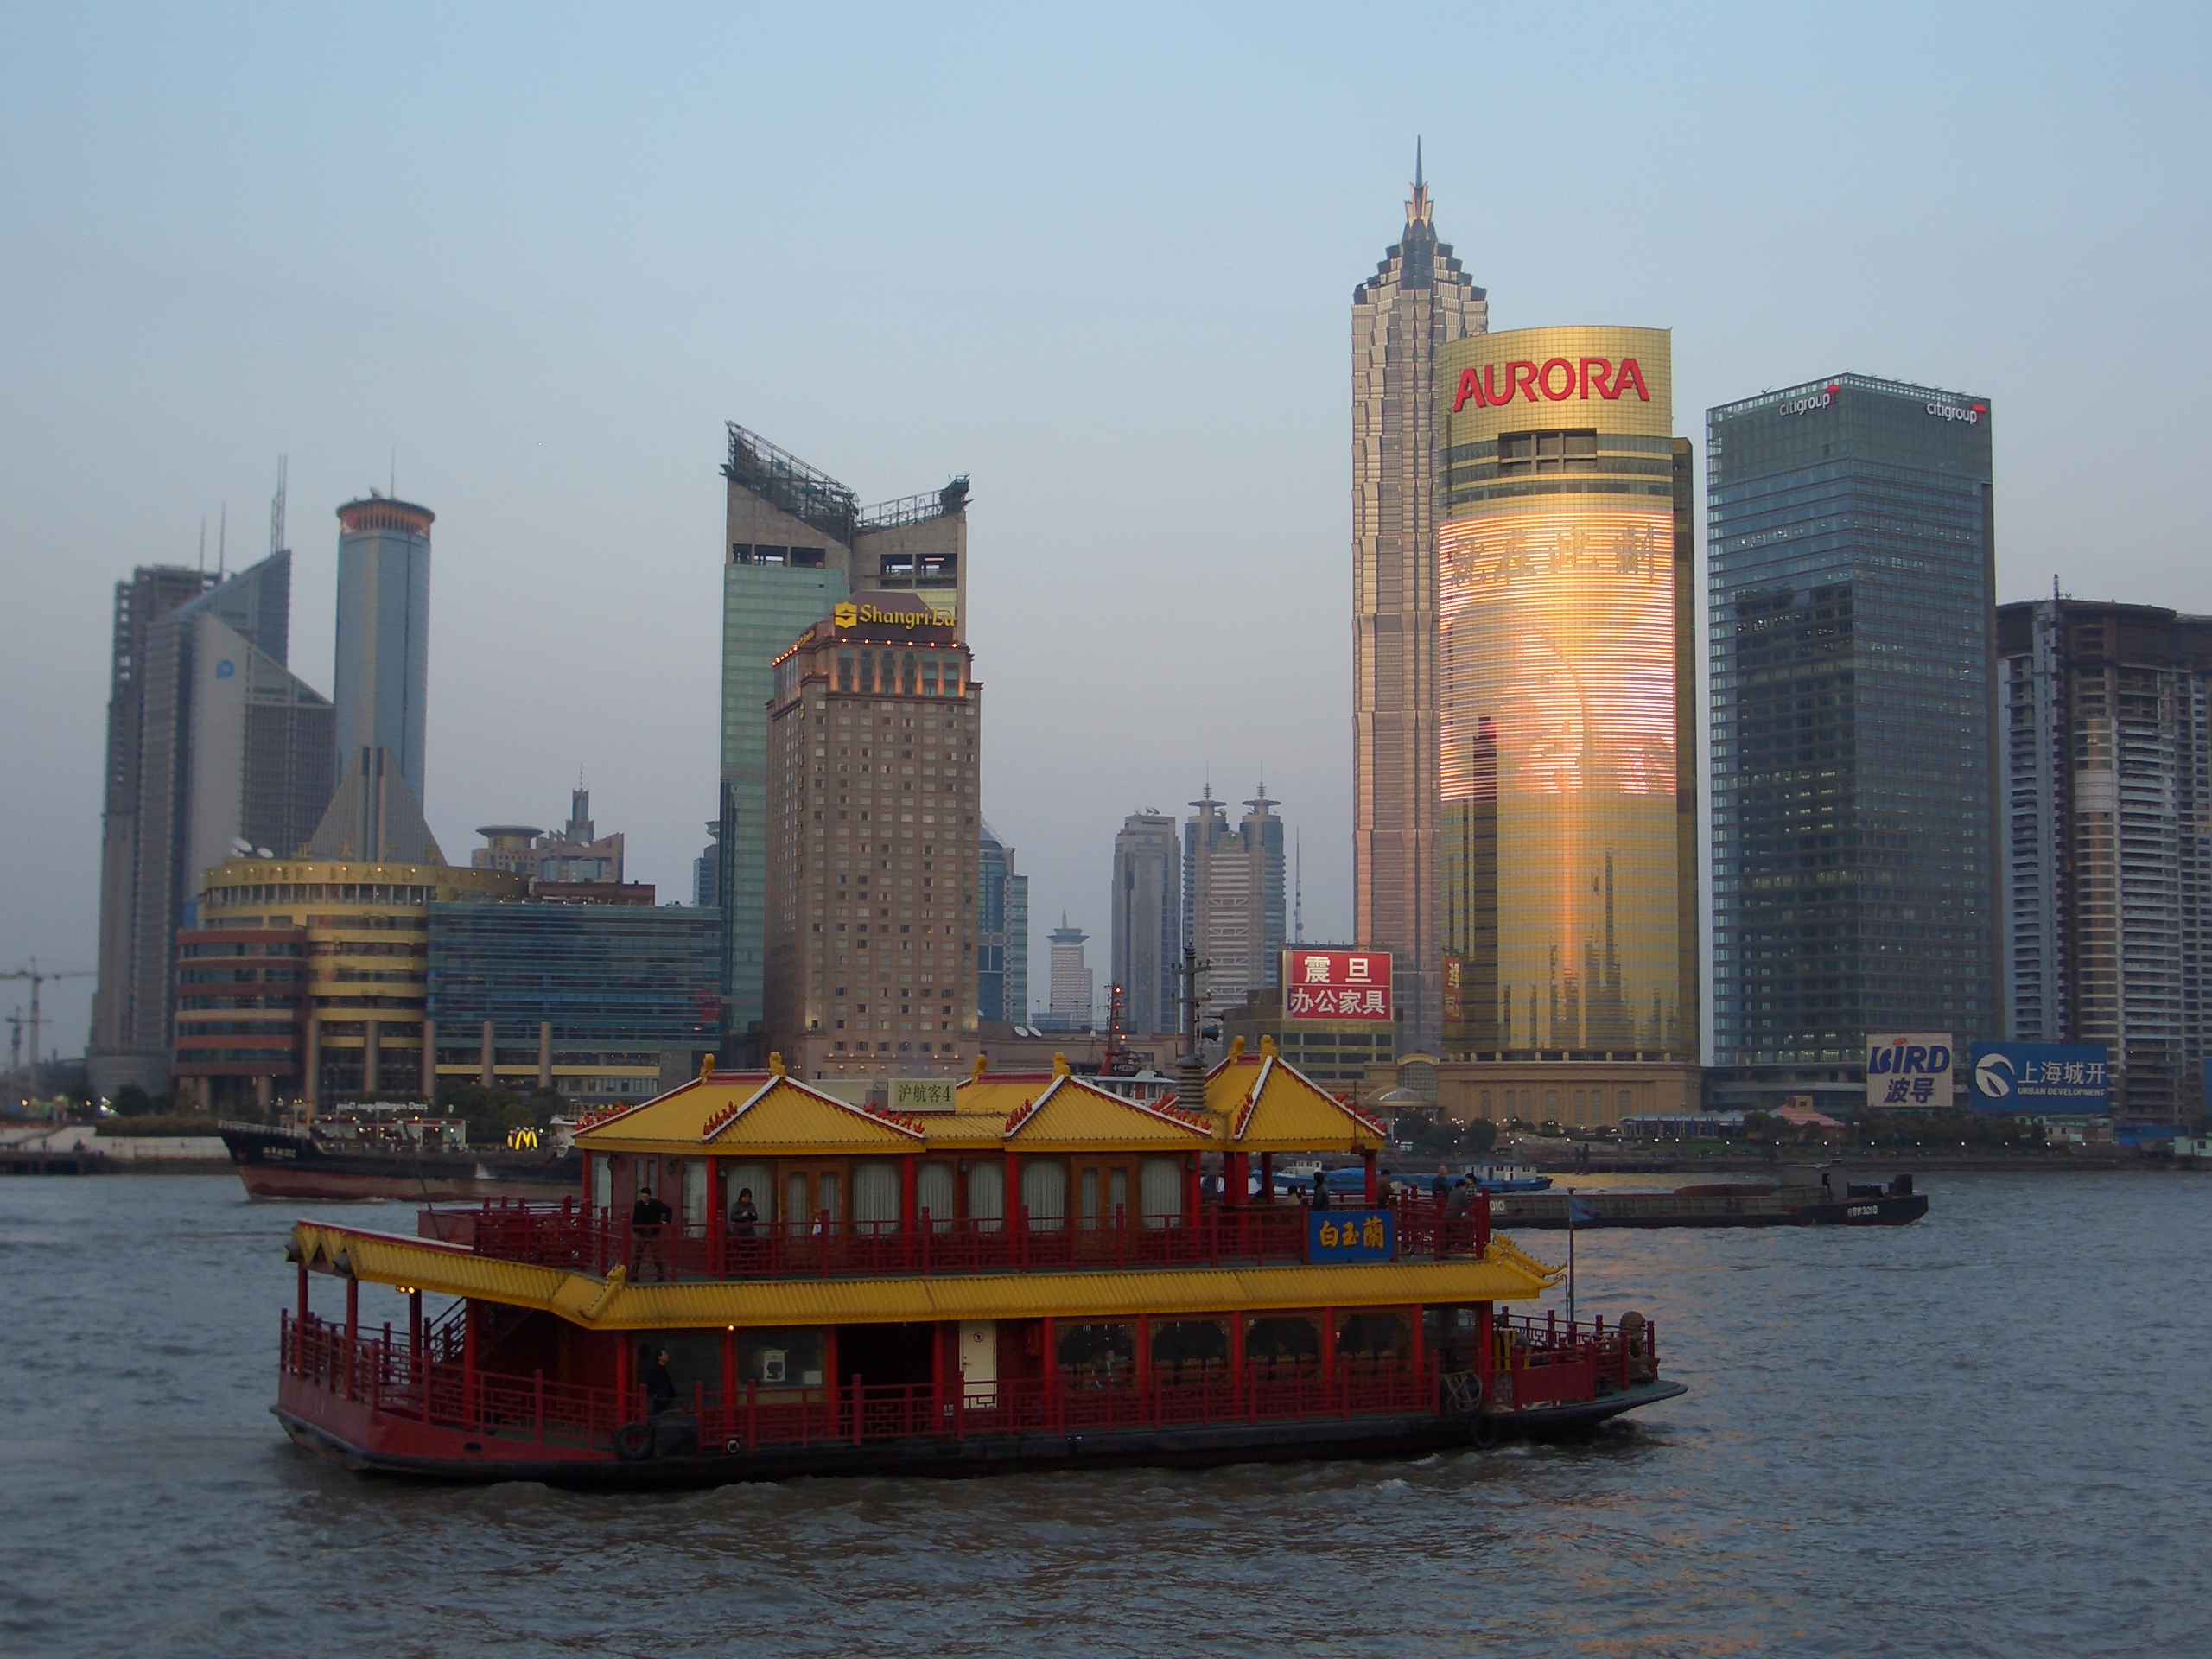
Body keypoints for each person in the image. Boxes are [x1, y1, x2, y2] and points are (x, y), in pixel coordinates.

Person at [632, 1184, 672, 1280]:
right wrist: (634, 1230)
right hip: (641, 1232)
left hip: (653, 1232)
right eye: (642, 1197)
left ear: (649, 1196)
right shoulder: (638, 1205)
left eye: (645, 1197)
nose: (643, 1199)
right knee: (637, 1254)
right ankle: (634, 1275)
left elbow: (668, 1210)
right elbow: (635, 1217)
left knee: (656, 1254)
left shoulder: (656, 1204)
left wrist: (666, 1221)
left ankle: (660, 1275)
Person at [644, 1347, 677, 1416]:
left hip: (667, 1398)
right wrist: (654, 1394)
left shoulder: (664, 1369)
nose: (667, 1356)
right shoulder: (655, 1369)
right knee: (659, 1417)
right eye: (665, 1354)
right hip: (660, 1399)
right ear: (659, 1357)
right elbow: (649, 1383)